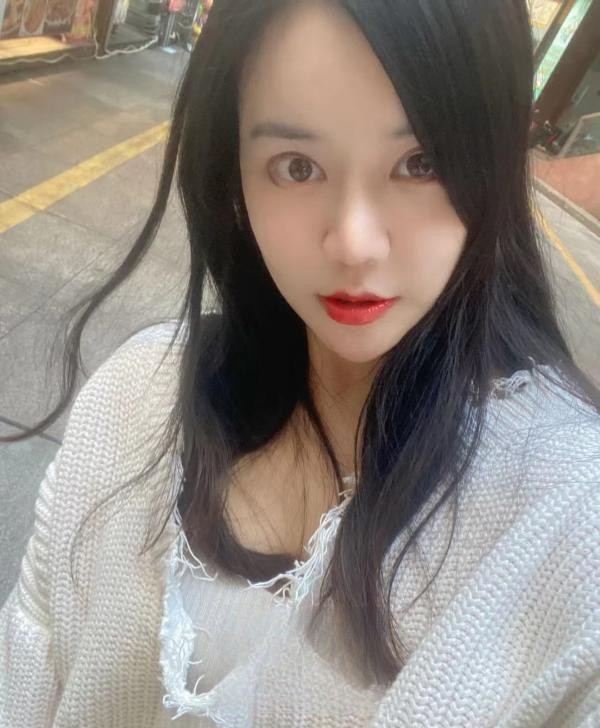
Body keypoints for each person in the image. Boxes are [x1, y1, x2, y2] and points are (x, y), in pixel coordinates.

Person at [1, 1, 600, 726]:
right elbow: (29, 650)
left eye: (422, 163)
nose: (354, 243)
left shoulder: (570, 516)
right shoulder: (136, 394)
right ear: (233, 173)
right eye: (297, 167)